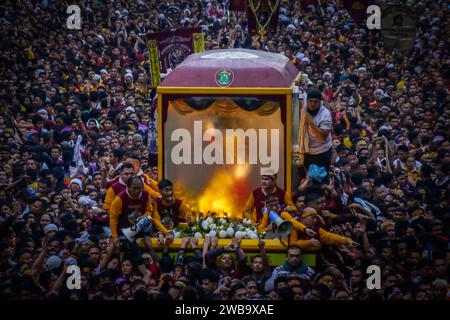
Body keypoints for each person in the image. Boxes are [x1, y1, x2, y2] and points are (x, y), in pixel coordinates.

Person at [297, 88, 333, 180]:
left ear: (320, 102)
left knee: (318, 180)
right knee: (305, 179)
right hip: (307, 152)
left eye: (316, 101)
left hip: (321, 153)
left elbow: (322, 137)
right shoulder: (304, 110)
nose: (312, 104)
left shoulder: (325, 114)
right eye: (310, 101)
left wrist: (310, 122)